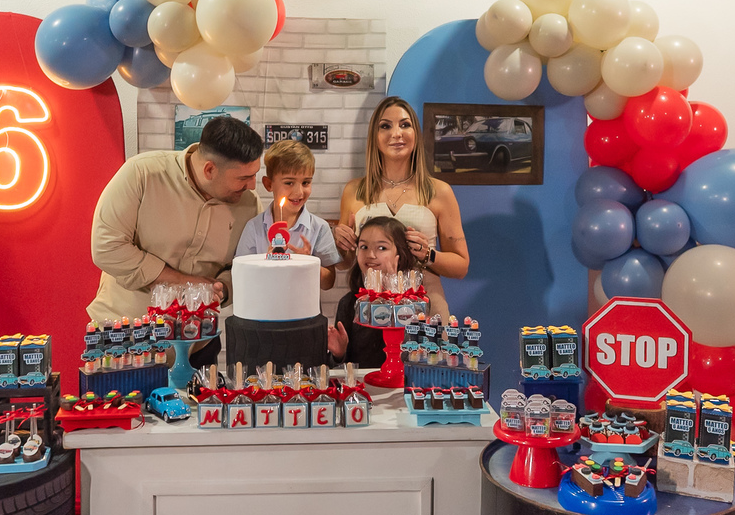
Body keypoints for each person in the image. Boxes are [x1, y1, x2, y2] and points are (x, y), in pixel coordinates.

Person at [90, 117, 263, 366]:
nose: (252, 185)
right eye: (243, 177)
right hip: (126, 338)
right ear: (209, 169)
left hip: (199, 344)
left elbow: (246, 264)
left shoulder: (249, 203)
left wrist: (222, 289)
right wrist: (185, 283)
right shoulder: (142, 174)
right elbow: (106, 248)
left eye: (255, 175)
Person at [334, 96, 469, 321]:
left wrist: (429, 255)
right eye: (385, 126)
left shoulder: (439, 192)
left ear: (416, 134)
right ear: (374, 138)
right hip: (371, 312)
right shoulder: (354, 191)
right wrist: (340, 243)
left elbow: (461, 266)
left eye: (405, 125)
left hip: (426, 308)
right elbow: (345, 263)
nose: (396, 133)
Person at [234, 139, 338, 290]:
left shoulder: (319, 228)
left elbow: (328, 283)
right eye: (289, 183)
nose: (299, 192)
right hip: (263, 309)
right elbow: (240, 276)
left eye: (306, 183)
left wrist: (309, 264)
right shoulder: (254, 227)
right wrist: (265, 262)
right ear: (269, 184)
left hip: (304, 309)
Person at [327, 216, 419, 367]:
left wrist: (395, 294)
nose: (370, 255)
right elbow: (339, 368)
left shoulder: (415, 303)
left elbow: (418, 358)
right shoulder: (350, 303)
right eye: (364, 247)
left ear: (400, 254)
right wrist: (338, 354)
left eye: (382, 248)